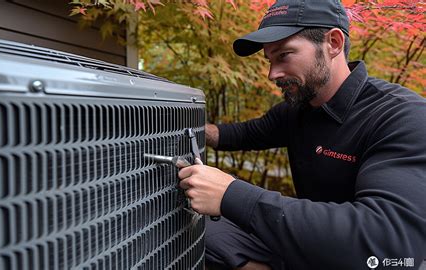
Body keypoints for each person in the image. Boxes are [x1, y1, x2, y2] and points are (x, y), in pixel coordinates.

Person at [177, 0, 426, 269]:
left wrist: (232, 195)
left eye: (284, 55)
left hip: (363, 258)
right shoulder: (298, 110)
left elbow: (389, 244)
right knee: (191, 225)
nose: (273, 74)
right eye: (269, 60)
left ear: (333, 43)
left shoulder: (401, 116)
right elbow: (240, 134)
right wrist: (186, 129)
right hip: (306, 243)